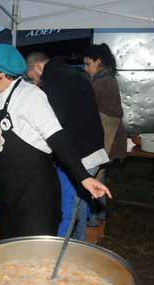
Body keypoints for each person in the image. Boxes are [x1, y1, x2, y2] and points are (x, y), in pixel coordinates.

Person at [0, 44, 111, 240]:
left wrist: (83, 177)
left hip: (36, 198)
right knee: (8, 254)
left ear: (1, 72)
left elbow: (57, 138)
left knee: (35, 259)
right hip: (8, 195)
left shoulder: (31, 96)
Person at [26, 52, 109, 241]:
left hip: (79, 155)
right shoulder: (74, 74)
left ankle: (63, 253)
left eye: (33, 78)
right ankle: (78, 246)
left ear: (37, 68)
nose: (35, 83)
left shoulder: (55, 80)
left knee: (68, 209)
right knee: (79, 205)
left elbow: (55, 121)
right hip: (94, 149)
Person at [84, 43, 127, 226]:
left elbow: (90, 109)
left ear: (98, 62)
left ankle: (94, 218)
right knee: (99, 178)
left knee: (94, 179)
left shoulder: (101, 81)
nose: (86, 69)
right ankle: (100, 216)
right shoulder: (107, 78)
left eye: (88, 64)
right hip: (110, 139)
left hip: (105, 139)